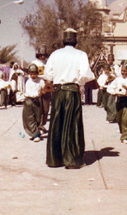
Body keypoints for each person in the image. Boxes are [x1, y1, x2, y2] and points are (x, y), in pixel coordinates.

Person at [44, 28, 95, 169]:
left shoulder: (55, 54)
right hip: (72, 91)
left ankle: (55, 159)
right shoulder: (81, 54)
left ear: (63, 40)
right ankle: (72, 160)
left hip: (58, 92)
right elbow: (85, 74)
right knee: (72, 124)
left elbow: (48, 75)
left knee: (56, 123)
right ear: (76, 41)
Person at [107, 61, 127, 144]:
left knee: (126, 119)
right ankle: (122, 131)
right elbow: (110, 87)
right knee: (120, 118)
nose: (123, 72)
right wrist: (113, 92)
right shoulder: (118, 79)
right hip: (119, 100)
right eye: (122, 71)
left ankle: (126, 136)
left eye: (125, 71)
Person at [31, 44, 51, 133]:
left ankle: (42, 124)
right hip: (38, 86)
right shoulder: (34, 63)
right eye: (41, 54)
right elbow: (32, 75)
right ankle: (38, 126)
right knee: (38, 108)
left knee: (46, 109)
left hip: (47, 86)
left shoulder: (49, 63)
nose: (43, 56)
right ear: (38, 55)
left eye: (44, 54)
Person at [22, 64, 46, 142]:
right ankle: (36, 135)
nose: (33, 76)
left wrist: (43, 92)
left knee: (37, 118)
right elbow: (26, 92)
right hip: (29, 100)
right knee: (29, 119)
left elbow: (44, 90)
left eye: (34, 73)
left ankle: (36, 132)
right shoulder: (28, 81)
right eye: (31, 74)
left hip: (37, 101)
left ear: (37, 73)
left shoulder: (41, 81)